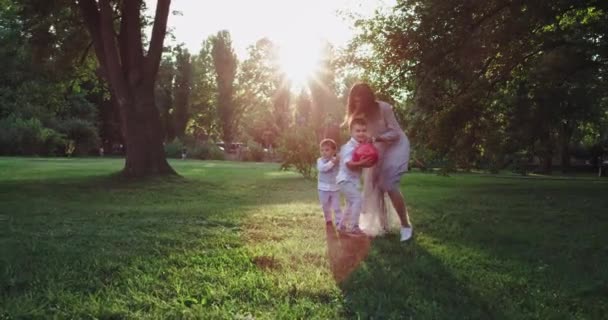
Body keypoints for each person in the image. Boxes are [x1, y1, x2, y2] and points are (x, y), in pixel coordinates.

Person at [344, 82, 413, 242]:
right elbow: (356, 140)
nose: (357, 103)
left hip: (396, 145)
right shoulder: (355, 117)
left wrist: (376, 138)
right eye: (354, 100)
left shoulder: (384, 108)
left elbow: (395, 132)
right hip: (376, 150)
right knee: (374, 185)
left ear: (368, 98)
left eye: (360, 99)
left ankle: (405, 226)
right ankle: (384, 225)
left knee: (388, 183)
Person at [336, 117, 375, 236]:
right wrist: (361, 164)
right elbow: (349, 164)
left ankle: (341, 226)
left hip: (350, 180)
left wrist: (370, 143)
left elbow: (367, 148)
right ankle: (353, 227)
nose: (361, 133)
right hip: (345, 179)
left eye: (364, 130)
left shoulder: (360, 145)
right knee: (357, 199)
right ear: (351, 132)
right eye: (358, 131)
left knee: (350, 203)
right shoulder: (350, 147)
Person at [316, 139, 342, 226]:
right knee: (325, 206)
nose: (324, 152)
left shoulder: (337, 160)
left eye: (327, 150)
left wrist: (338, 158)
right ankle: (328, 219)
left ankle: (339, 221)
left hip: (335, 188)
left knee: (337, 206)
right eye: (322, 150)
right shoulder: (320, 161)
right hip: (323, 188)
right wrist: (332, 162)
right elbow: (323, 168)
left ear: (333, 150)